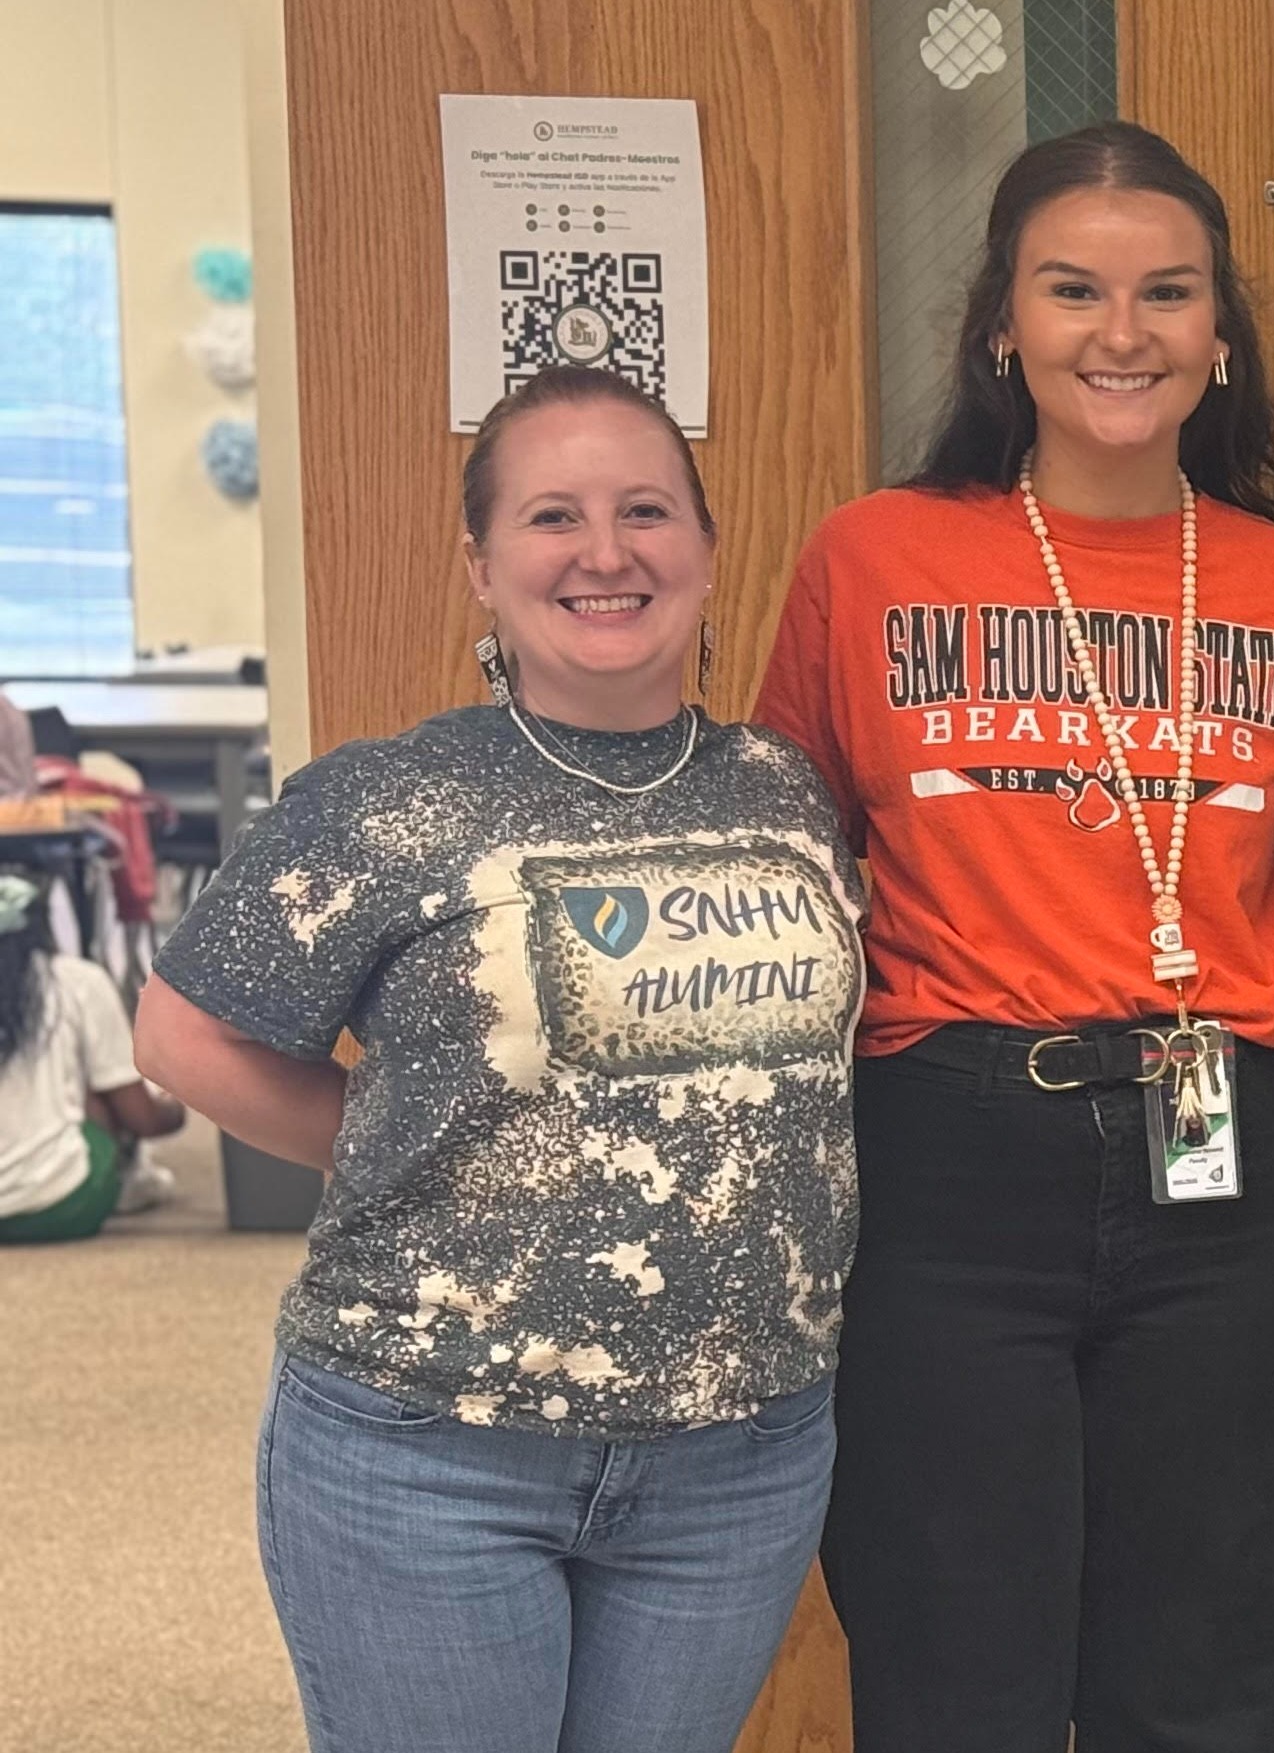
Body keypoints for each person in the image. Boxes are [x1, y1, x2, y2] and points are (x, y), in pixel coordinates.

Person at [130, 366, 861, 1753]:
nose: (605, 552)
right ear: (481, 565)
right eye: (552, 517)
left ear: (705, 549)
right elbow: (182, 1032)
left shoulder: (791, 793)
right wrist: (396, 1136)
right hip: (431, 1447)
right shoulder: (389, 799)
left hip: (738, 1451)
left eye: (646, 510)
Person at [753, 121, 1274, 1753]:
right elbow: (787, 877)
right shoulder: (870, 557)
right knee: (959, 1679)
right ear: (1000, 326)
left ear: (1218, 334)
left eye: (1167, 291)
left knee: (1206, 1676)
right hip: (948, 1158)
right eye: (1074, 289)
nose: (1123, 331)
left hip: (1226, 1158)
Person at [0, 862, 186, 1243]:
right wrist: (176, 1106)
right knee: (94, 1090)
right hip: (63, 1205)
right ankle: (131, 1180)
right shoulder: (77, 982)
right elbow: (142, 1119)